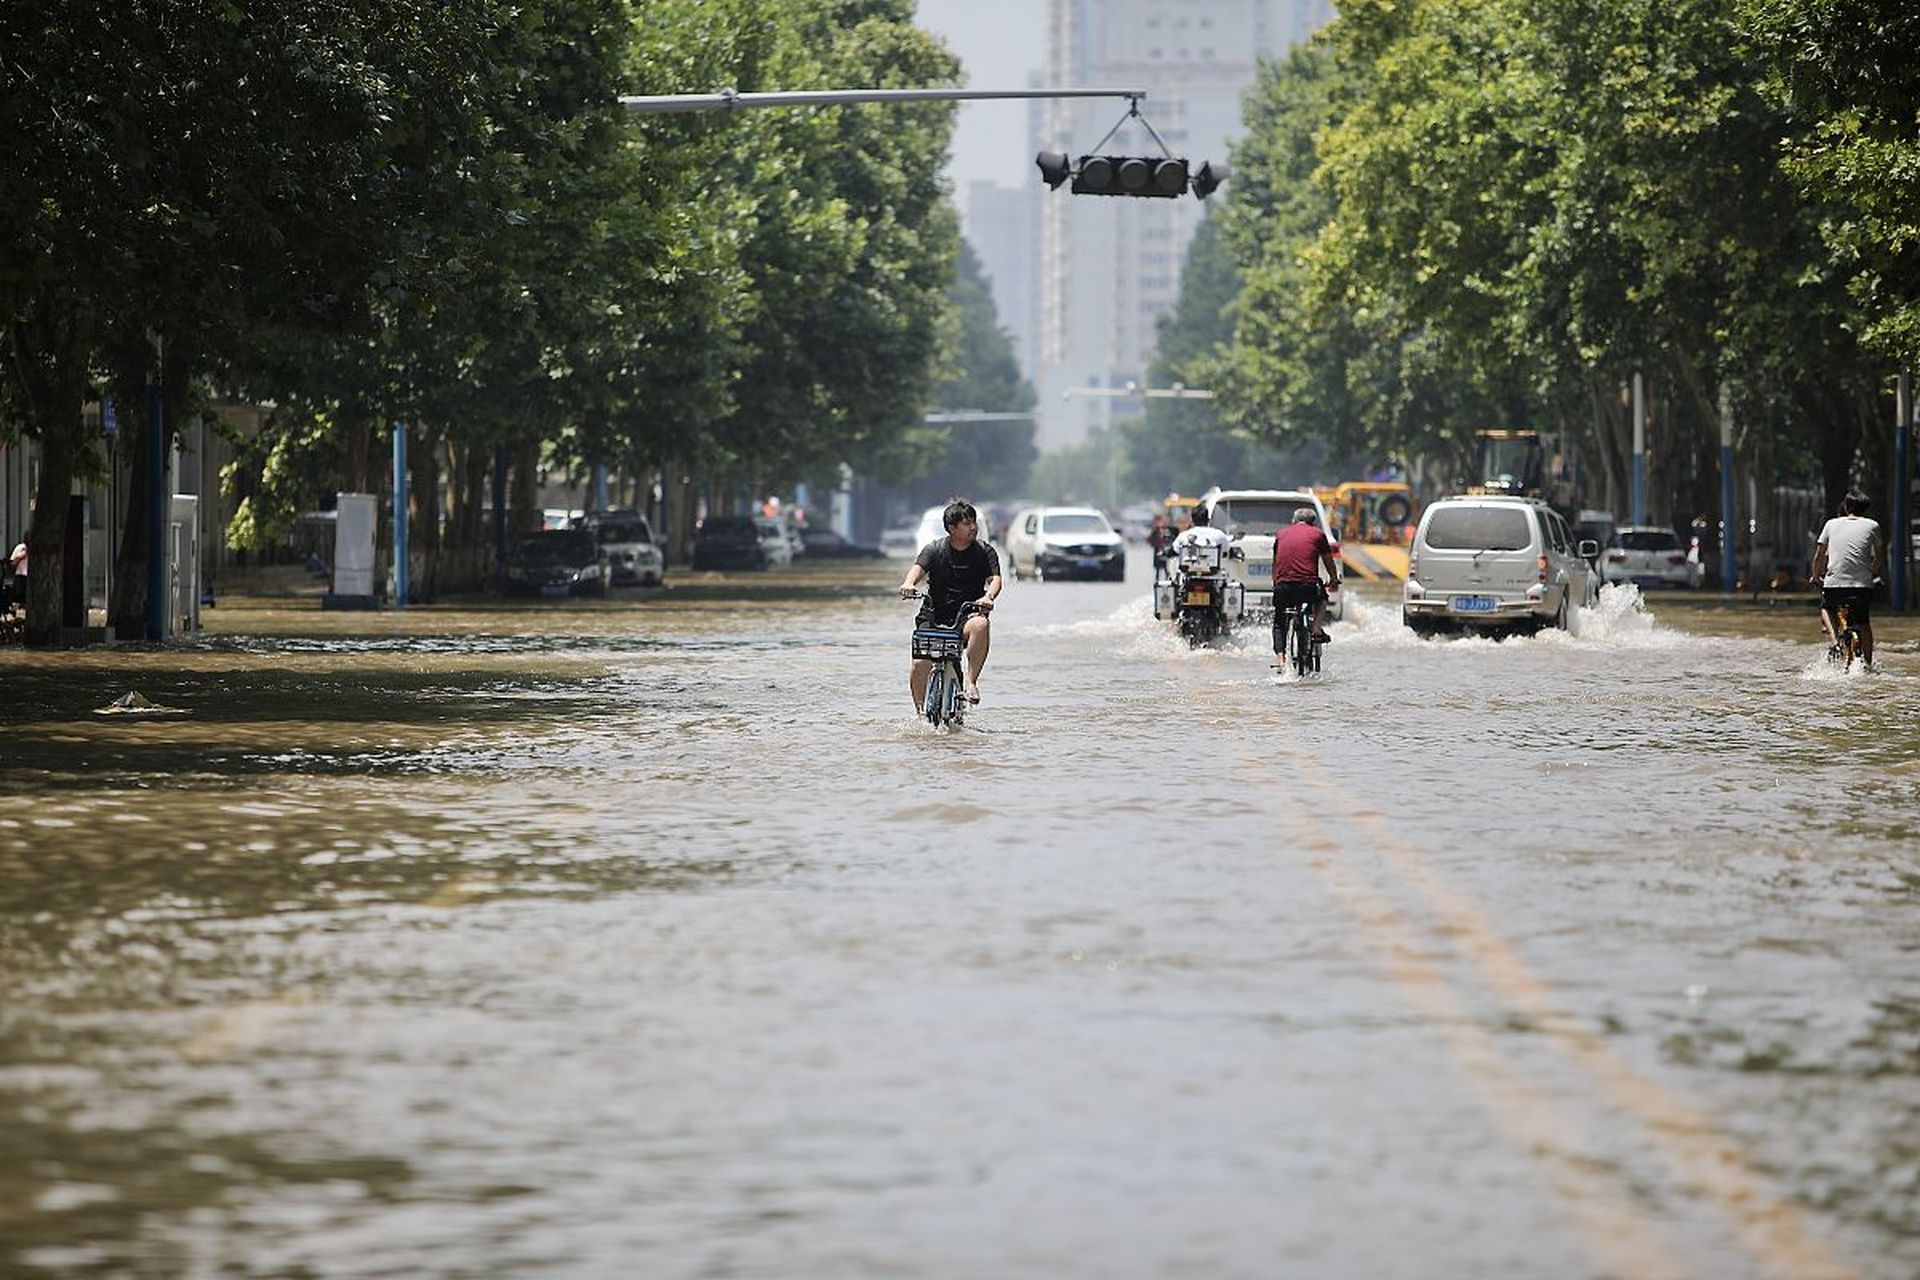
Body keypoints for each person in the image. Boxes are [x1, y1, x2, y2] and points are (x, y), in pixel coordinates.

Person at [899, 498, 1001, 708]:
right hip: (934, 614)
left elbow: (995, 580)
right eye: (967, 523)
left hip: (967, 615)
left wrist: (988, 597)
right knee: (920, 662)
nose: (973, 527)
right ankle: (920, 713)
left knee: (981, 625)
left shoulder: (985, 551)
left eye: (974, 522)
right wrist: (909, 583)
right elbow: (917, 569)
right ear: (951, 528)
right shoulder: (934, 549)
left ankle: (970, 683)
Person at [1810, 489, 1885, 668]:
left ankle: (1836, 641)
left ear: (1846, 506)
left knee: (1826, 607)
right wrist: (1871, 572)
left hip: (1834, 584)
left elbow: (1819, 555)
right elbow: (1880, 557)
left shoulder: (1831, 524)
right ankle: (1867, 665)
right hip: (1862, 585)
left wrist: (1815, 576)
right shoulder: (1873, 525)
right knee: (1864, 622)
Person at [1271, 507, 1339, 659]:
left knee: (1279, 621)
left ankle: (1280, 657)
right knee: (1322, 599)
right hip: (1307, 587)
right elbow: (1328, 561)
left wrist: (1276, 585)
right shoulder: (1318, 534)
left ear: (1293, 521)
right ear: (1313, 522)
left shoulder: (1281, 534)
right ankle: (1315, 627)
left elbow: (1275, 564)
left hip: (1283, 587)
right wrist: (1334, 578)